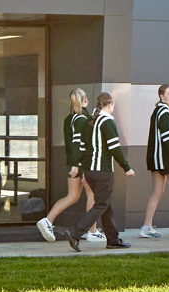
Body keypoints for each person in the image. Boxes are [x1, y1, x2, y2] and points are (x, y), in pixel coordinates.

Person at [57, 91, 131, 250]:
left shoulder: (91, 122)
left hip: (90, 171)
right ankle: (75, 232)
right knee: (101, 204)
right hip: (103, 171)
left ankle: (113, 240)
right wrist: (126, 167)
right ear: (110, 105)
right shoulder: (108, 122)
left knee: (106, 205)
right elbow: (114, 148)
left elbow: (83, 147)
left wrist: (83, 170)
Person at [36, 89, 95, 241]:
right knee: (92, 195)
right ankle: (92, 232)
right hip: (83, 163)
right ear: (85, 100)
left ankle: (47, 220)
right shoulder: (83, 119)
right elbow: (81, 144)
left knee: (72, 196)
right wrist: (79, 166)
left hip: (73, 162)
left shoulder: (69, 119)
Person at [140, 84, 169, 238]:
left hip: (156, 160)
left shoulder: (158, 110)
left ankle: (146, 227)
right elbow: (168, 139)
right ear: (161, 96)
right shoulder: (164, 111)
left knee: (157, 192)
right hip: (166, 160)